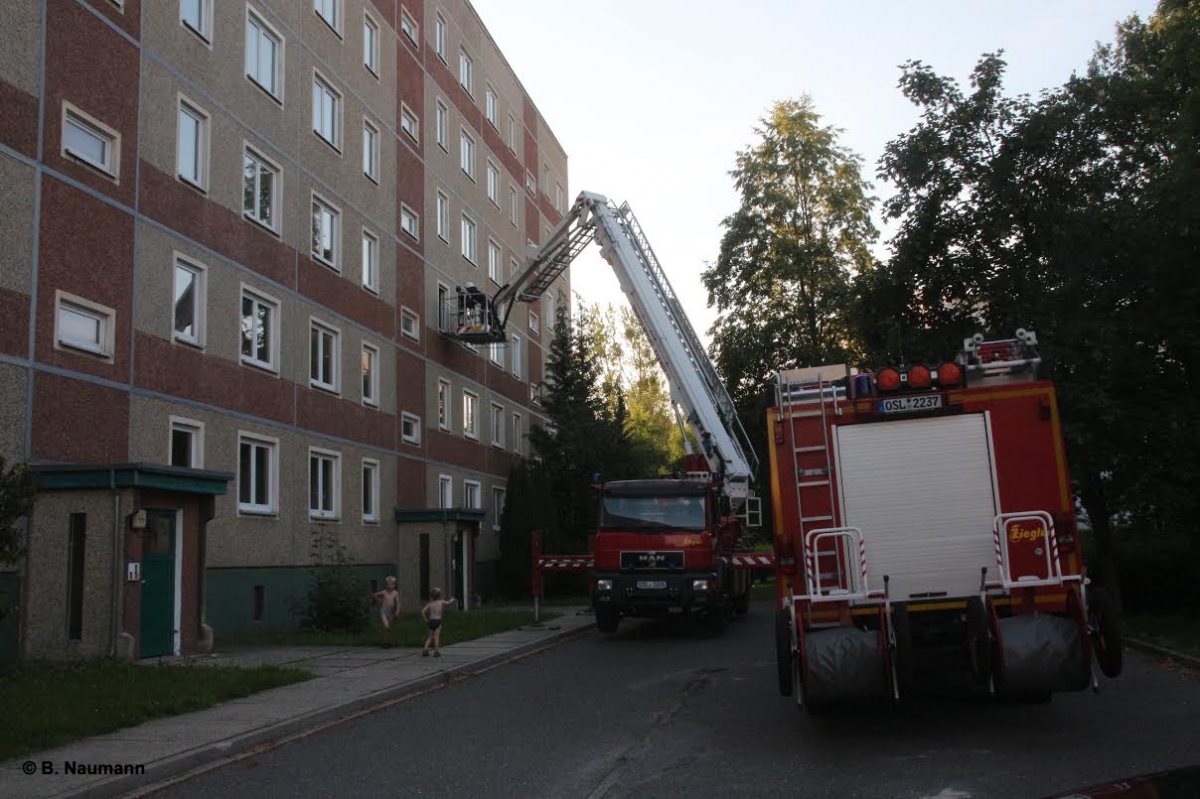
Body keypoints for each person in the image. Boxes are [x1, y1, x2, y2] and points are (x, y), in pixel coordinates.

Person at [421, 587, 458, 657]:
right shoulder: (441, 602)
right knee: (436, 637)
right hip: (438, 621)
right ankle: (436, 651)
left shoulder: (430, 604)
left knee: (429, 637)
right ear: (439, 595)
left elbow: (422, 611)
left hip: (431, 621)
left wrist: (426, 620)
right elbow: (448, 602)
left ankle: (425, 650)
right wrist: (452, 599)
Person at [372, 576, 402, 648]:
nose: (389, 586)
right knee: (386, 626)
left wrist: (397, 610)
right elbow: (374, 595)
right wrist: (379, 600)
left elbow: (398, 602)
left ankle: (386, 642)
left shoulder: (395, 593)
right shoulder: (384, 592)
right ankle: (386, 640)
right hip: (383, 610)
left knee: (388, 629)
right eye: (388, 584)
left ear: (394, 585)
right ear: (385, 585)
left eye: (391, 584)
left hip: (391, 611)